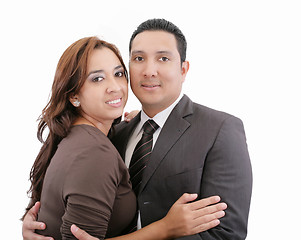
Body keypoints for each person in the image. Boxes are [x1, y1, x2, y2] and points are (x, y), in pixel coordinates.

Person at [24, 18, 252, 240]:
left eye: (163, 58)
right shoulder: (113, 135)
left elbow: (226, 234)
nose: (149, 71)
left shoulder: (220, 130)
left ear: (183, 69)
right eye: (139, 58)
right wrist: (37, 222)